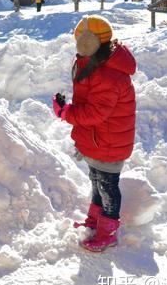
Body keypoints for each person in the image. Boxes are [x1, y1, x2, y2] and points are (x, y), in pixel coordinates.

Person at [52, 15, 136, 252]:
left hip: (109, 142)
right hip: (99, 139)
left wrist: (65, 112)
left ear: (89, 42)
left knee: (108, 185)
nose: (77, 44)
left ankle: (108, 231)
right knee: (97, 181)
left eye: (79, 39)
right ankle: (96, 219)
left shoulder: (108, 74)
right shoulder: (97, 61)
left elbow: (95, 113)